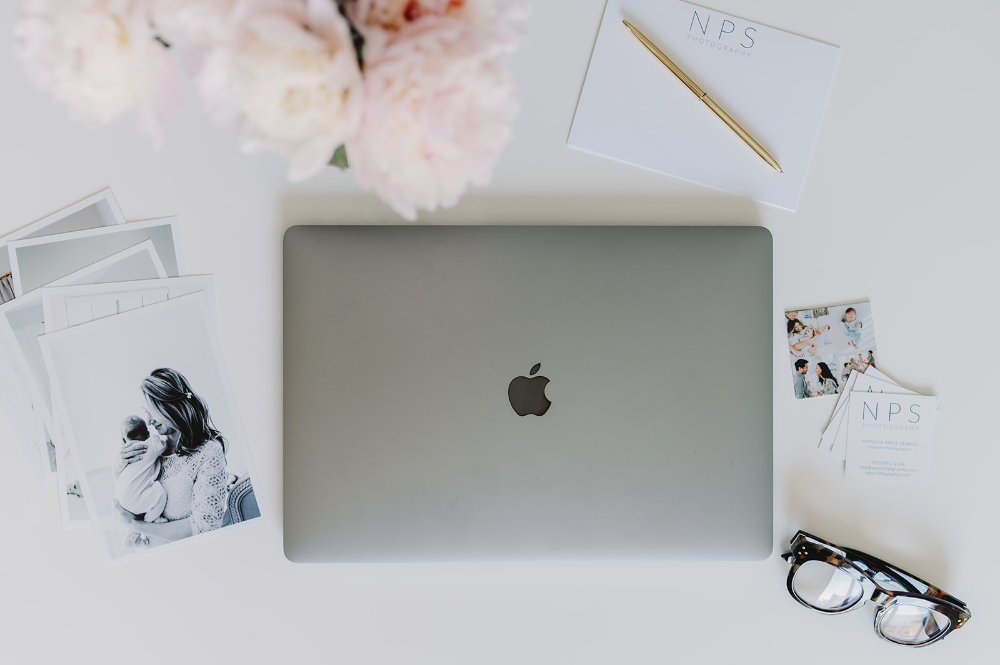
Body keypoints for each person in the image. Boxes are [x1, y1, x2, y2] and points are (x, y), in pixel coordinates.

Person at [112, 368, 229, 548]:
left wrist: (135, 525)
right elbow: (131, 495)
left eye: (152, 411)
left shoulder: (208, 453)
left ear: (171, 406)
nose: (149, 421)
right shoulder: (152, 449)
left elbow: (204, 527)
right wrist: (122, 467)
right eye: (145, 411)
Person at [113, 416, 167, 545]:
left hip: (120, 498)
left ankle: (131, 534)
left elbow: (118, 475)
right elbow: (164, 445)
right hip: (134, 499)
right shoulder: (150, 445)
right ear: (147, 433)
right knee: (160, 492)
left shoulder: (124, 455)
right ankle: (150, 521)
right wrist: (155, 438)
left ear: (123, 440)